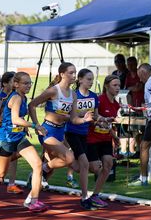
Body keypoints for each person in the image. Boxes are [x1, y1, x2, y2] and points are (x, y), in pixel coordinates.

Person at [28, 62, 94, 190]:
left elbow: (74, 119)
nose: (74, 75)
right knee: (68, 158)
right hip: (48, 131)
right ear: (62, 74)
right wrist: (36, 125)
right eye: (71, 73)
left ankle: (35, 183)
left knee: (76, 167)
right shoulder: (53, 91)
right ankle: (41, 170)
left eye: (75, 72)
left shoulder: (73, 95)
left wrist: (84, 120)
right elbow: (32, 105)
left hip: (60, 133)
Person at [0, 72, 48, 212]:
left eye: (30, 83)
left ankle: (33, 201)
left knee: (37, 164)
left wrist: (25, 129)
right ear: (16, 84)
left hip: (18, 138)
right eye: (25, 83)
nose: (29, 85)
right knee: (0, 173)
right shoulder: (17, 98)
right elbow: (15, 120)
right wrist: (34, 126)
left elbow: (22, 117)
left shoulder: (23, 97)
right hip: (6, 138)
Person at [64, 68, 101, 210]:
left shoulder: (93, 96)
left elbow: (95, 116)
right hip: (71, 132)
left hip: (85, 133)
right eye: (88, 79)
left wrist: (102, 120)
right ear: (80, 79)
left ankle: (47, 167)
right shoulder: (73, 95)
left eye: (92, 79)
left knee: (84, 166)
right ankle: (85, 198)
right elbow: (67, 114)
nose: (91, 82)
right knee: (84, 163)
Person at [86, 75, 121, 208]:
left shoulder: (116, 104)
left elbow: (109, 124)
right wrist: (100, 120)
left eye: (119, 85)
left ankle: (95, 195)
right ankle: (74, 163)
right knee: (94, 168)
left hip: (106, 139)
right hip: (92, 138)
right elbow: (92, 117)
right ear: (107, 86)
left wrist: (114, 136)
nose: (117, 88)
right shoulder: (99, 100)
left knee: (108, 165)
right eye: (114, 85)